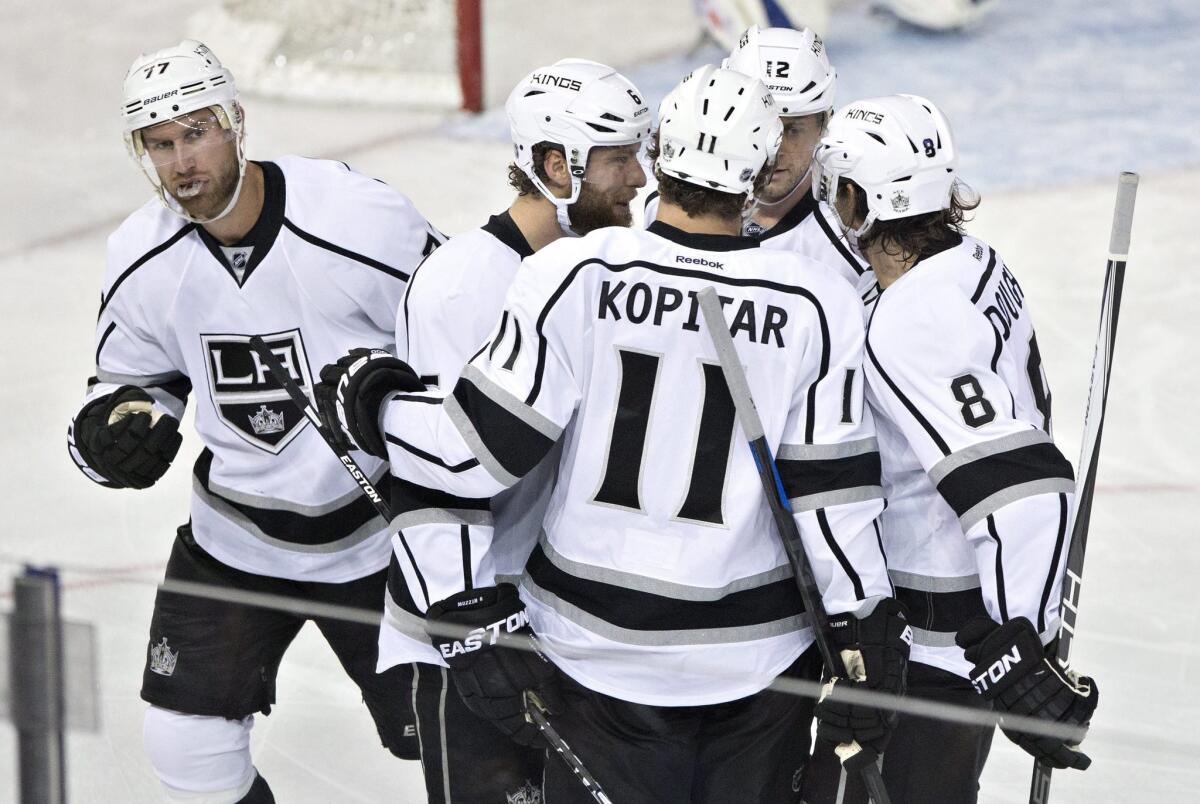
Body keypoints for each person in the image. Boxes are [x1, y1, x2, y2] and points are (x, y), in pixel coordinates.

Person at [318, 65, 908, 804]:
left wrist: (375, 403)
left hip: (597, 653)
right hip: (759, 663)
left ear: (662, 159)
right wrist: (866, 623)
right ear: (757, 172)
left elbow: (470, 454)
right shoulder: (816, 301)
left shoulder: (576, 272)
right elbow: (833, 497)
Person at [66, 39, 442, 803]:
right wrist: (110, 434)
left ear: (238, 122)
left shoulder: (355, 218)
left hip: (381, 540)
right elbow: (128, 382)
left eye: (197, 132)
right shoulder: (142, 256)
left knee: (455, 741)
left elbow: (459, 337)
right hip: (235, 542)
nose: (182, 162)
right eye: (161, 144)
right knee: (186, 747)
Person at [370, 58, 651, 804]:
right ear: (557, 166)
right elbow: (433, 470)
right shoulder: (463, 284)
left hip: (568, 624)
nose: (639, 177)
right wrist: (468, 625)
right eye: (620, 158)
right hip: (478, 632)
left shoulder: (613, 270)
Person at [806, 93, 1099, 802]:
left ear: (858, 200)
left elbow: (1022, 487)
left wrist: (1015, 649)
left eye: (835, 186)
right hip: (953, 645)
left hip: (933, 653)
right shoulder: (971, 260)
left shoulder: (914, 319)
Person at [646, 25, 879, 304]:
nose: (774, 151)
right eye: (758, 129)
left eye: (792, 130)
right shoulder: (658, 205)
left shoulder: (852, 246)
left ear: (824, 125)